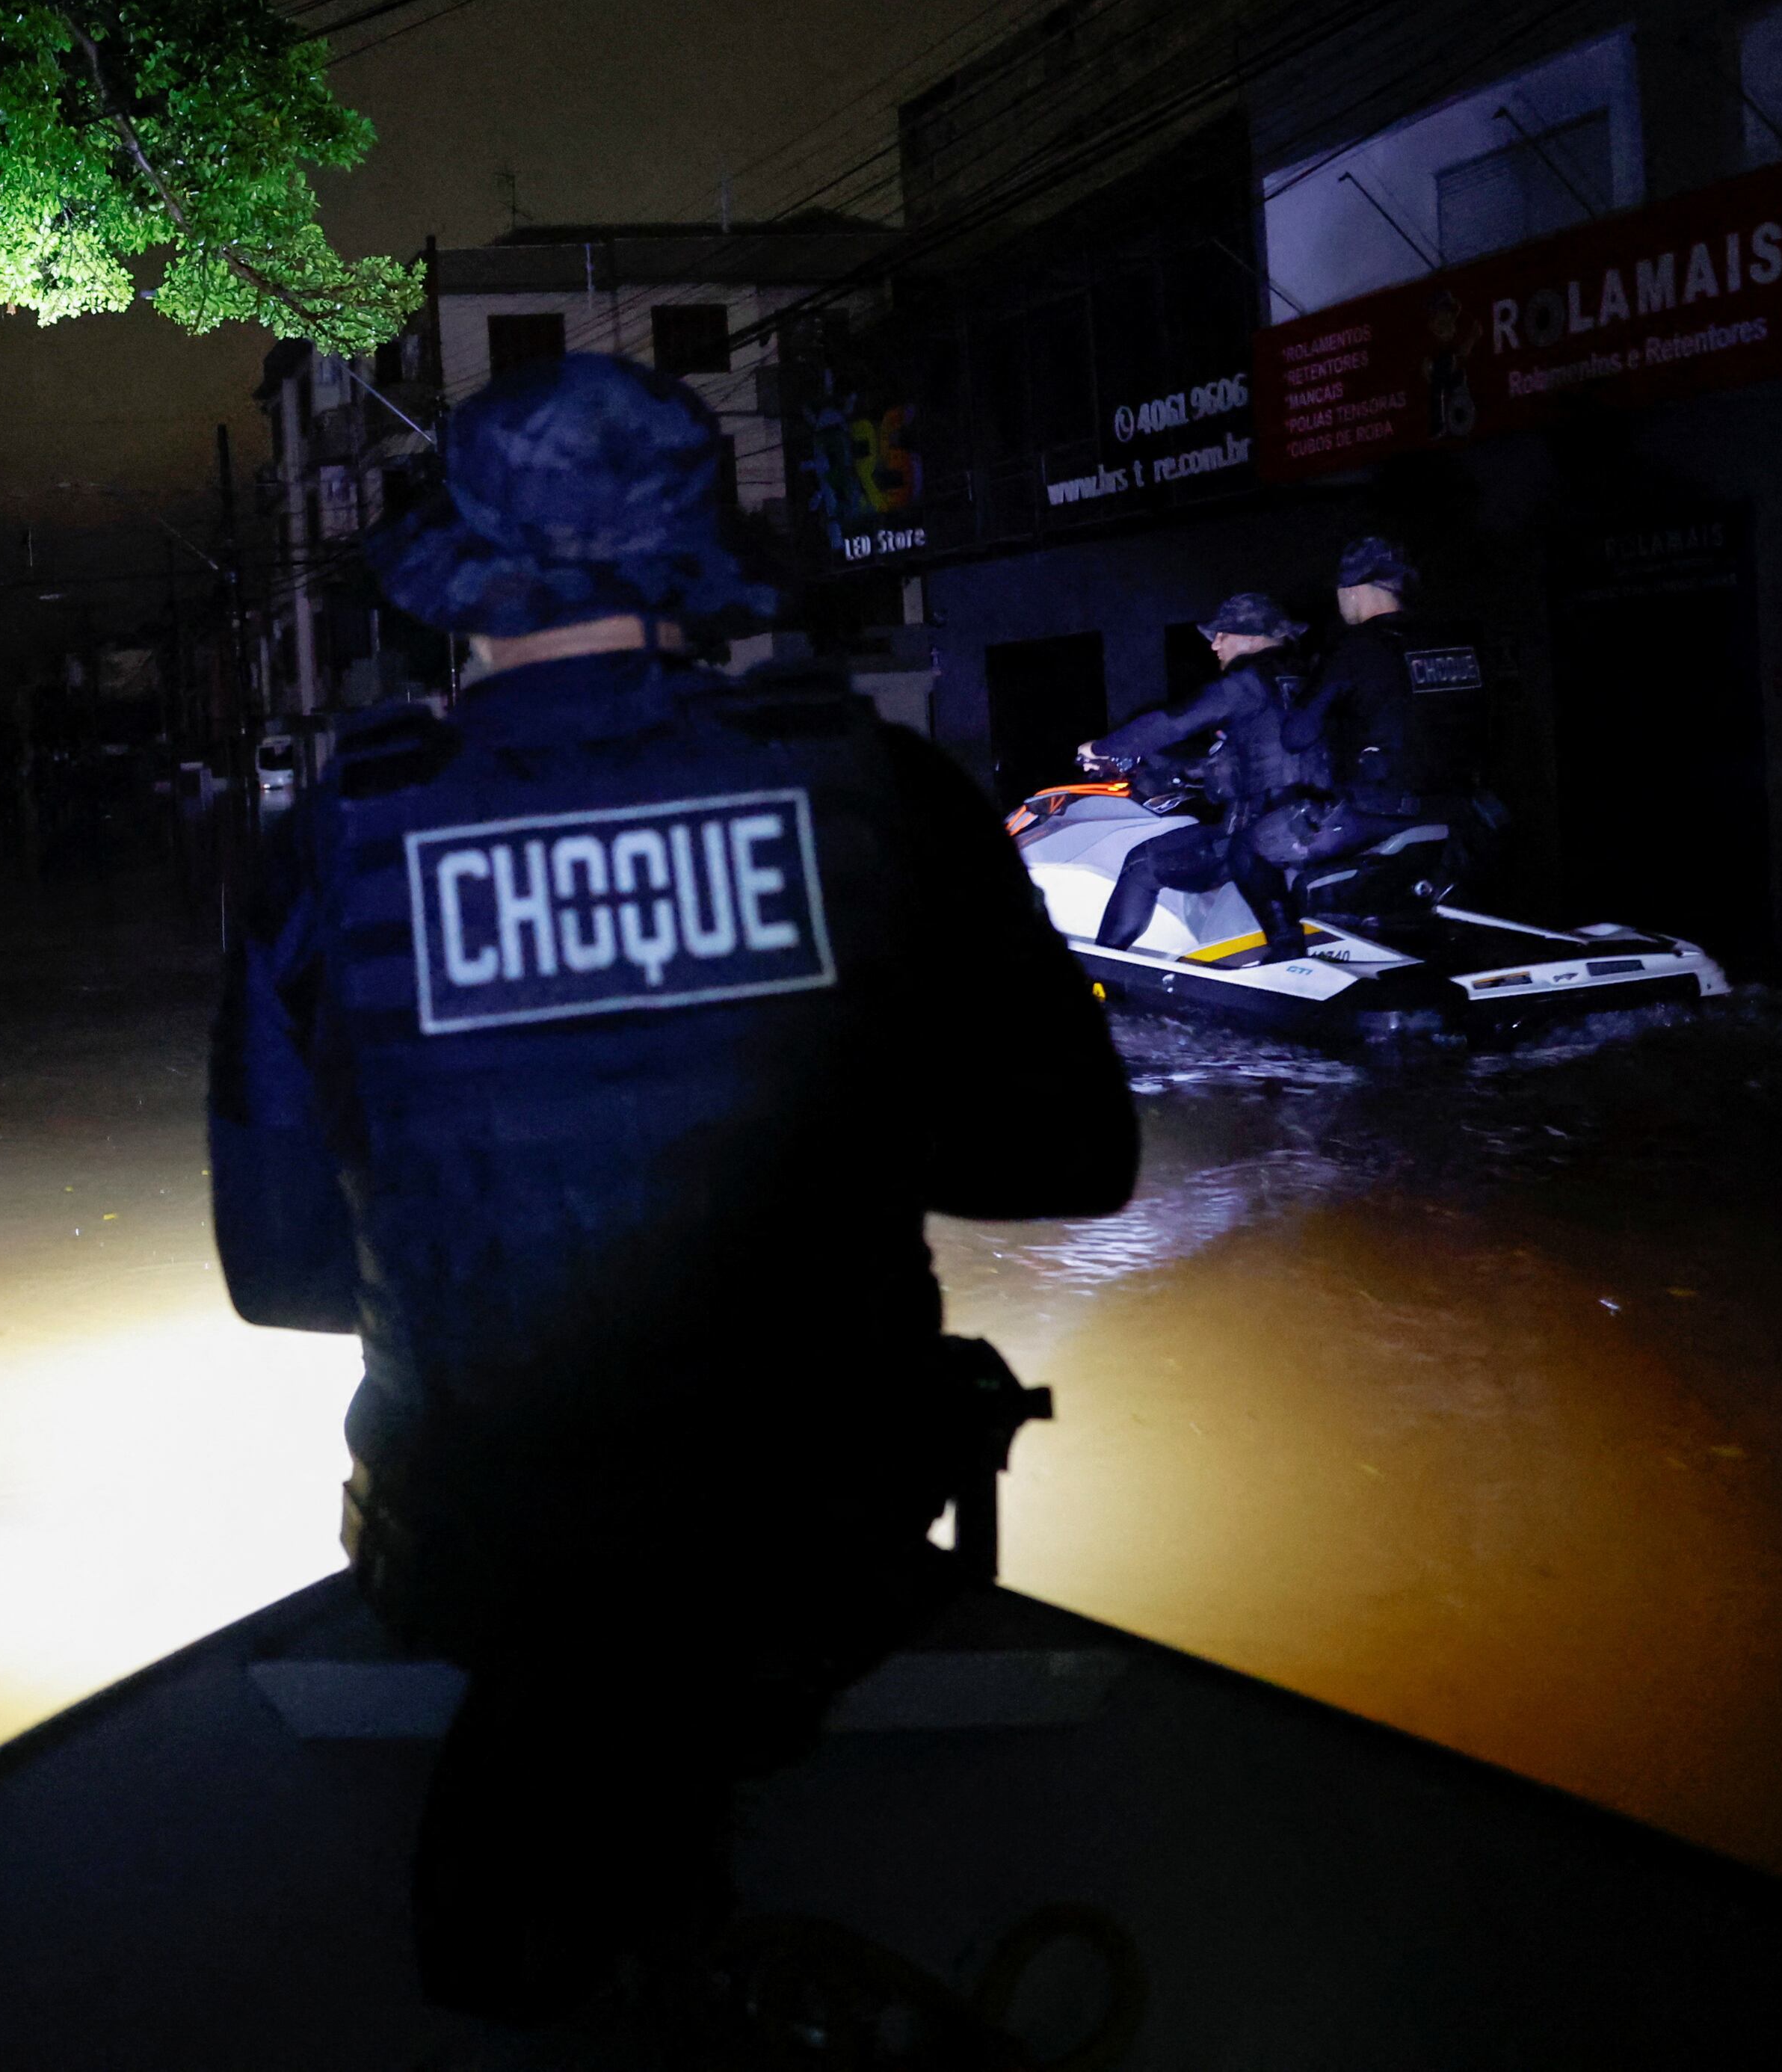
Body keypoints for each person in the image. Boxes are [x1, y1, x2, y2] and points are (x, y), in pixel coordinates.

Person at [209, 354, 1139, 2030]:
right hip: (819, 1541)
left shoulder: (336, 840)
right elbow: (1073, 1158)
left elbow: (279, 1271)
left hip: (474, 1553)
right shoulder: (881, 792)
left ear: (459, 595)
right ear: (688, 571)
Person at [1076, 591, 1331, 965]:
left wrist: (1102, 748)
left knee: (1142, 865)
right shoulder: (1312, 676)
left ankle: (1103, 968)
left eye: (1221, 635)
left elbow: (1172, 721)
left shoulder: (1249, 682)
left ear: (1250, 636)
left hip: (1266, 829)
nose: (1214, 645)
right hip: (1324, 820)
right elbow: (1244, 758)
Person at [1283, 534, 1496, 902]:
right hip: (1464, 813)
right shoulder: (1455, 638)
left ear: (1352, 590)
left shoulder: (1355, 648)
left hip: (1379, 815)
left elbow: (1296, 735)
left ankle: (1288, 952)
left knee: (1268, 851)